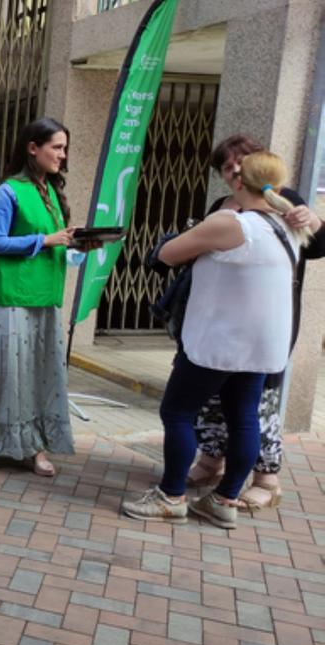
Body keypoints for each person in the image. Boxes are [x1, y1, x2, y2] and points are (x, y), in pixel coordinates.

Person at [123, 151, 300, 529]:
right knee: (244, 419)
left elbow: (167, 254)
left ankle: (171, 496)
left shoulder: (232, 222)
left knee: (178, 412)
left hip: (219, 343)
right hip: (262, 347)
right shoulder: (286, 228)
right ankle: (225, 500)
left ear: (238, 183)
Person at [182, 135, 323, 511]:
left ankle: (267, 478)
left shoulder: (284, 200)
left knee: (259, 402)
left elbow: (318, 244)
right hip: (219, 321)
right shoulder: (222, 207)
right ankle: (212, 461)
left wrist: (312, 218)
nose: (235, 171)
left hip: (266, 322)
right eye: (227, 167)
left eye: (241, 162)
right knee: (213, 399)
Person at [0, 117, 80, 476]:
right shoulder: (8, 191)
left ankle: (34, 446)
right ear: (33, 148)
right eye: (56, 147)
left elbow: (55, 240)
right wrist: (44, 240)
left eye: (65, 148)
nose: (62, 155)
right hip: (13, 296)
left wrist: (76, 241)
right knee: (5, 372)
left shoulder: (50, 193)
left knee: (40, 373)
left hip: (45, 296)